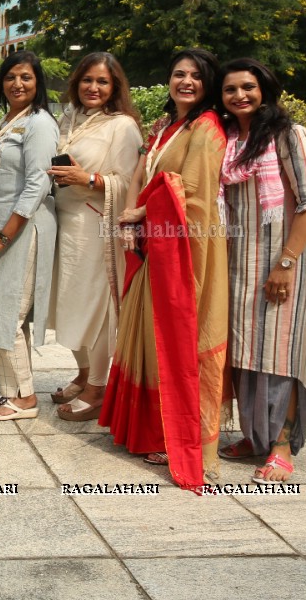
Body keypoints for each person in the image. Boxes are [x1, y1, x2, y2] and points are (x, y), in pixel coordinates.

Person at [99, 48, 228, 490]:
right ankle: (150, 428)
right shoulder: (169, 126)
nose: (186, 82)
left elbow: (191, 196)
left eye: (195, 75)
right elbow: (148, 175)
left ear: (208, 83)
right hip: (156, 245)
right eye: (178, 74)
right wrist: (136, 212)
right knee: (147, 340)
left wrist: (143, 213)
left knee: (175, 343)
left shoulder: (207, 129)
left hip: (186, 250)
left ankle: (178, 437)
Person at [217, 58, 306, 483]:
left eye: (247, 87)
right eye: (230, 89)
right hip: (240, 263)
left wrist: (285, 264)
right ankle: (255, 437)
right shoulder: (229, 141)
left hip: (289, 261)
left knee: (283, 355)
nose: (239, 96)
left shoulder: (291, 136)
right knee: (248, 355)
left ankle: (282, 444)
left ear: (265, 88)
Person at [46, 53, 144, 422]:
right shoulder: (69, 117)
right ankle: (84, 373)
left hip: (96, 225)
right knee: (70, 305)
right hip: (65, 224)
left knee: (97, 308)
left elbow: (132, 180)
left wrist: (89, 179)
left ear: (115, 87)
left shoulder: (122, 126)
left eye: (102, 82)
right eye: (88, 80)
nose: (93, 88)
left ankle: (99, 388)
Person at [0, 51, 59, 422]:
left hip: (21, 228)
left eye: (25, 77)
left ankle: (24, 397)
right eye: (10, 77)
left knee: (9, 311)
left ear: (38, 82)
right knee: (1, 312)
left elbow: (38, 182)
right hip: (2, 229)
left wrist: (3, 237)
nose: (17, 84)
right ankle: (10, 392)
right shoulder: (9, 120)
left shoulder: (39, 123)